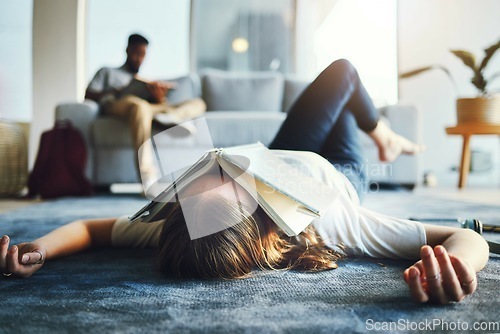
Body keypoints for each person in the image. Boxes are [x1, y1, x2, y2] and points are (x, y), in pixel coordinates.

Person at [1, 60, 489, 305]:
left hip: (281, 148)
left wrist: (37, 249)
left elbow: (90, 229)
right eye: (234, 184)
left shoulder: (179, 219)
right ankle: (383, 141)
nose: (216, 168)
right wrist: (460, 267)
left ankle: (384, 134)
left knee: (341, 73)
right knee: (344, 73)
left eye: (200, 182)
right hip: (335, 168)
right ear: (266, 223)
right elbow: (462, 236)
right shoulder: (335, 222)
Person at [84, 33, 206, 186]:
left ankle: (171, 117)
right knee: (139, 106)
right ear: (128, 50)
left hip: (146, 108)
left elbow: (151, 103)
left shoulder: (144, 79)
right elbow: (88, 94)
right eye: (136, 53)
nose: (139, 58)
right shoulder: (107, 72)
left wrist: (159, 97)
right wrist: (117, 91)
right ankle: (147, 176)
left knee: (198, 103)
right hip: (119, 104)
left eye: (142, 55)